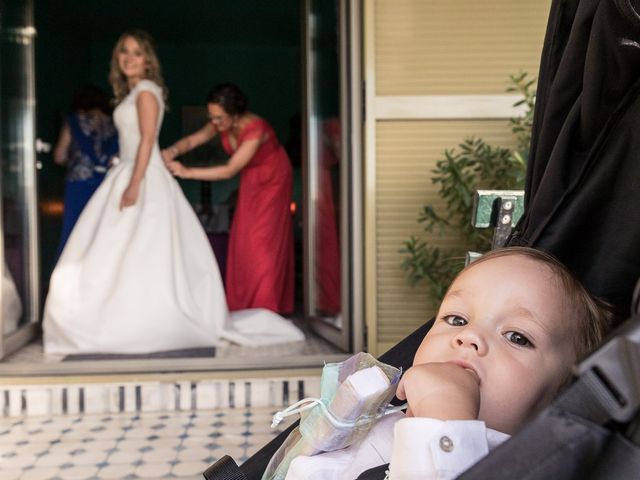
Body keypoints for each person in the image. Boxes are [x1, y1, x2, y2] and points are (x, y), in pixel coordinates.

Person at [284, 247, 613, 479]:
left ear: (562, 396)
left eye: (517, 337)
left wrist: (445, 415)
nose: (470, 337)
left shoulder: (523, 468)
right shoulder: (385, 420)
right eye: (456, 319)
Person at [43, 30, 230, 354]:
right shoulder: (131, 94)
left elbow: (146, 140)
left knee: (141, 249)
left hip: (141, 174)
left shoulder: (146, 91)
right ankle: (112, 318)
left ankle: (142, 320)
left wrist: (134, 183)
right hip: (128, 169)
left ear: (147, 61)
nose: (129, 58)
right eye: (123, 52)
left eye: (137, 52)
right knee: (114, 251)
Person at [162, 83, 294, 314]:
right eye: (211, 117)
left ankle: (266, 307)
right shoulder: (220, 123)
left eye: (219, 118)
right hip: (251, 179)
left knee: (262, 242)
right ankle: (244, 305)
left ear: (235, 115)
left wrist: (186, 171)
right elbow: (194, 140)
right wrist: (172, 151)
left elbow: (229, 170)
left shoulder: (256, 129)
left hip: (273, 179)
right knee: (244, 239)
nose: (214, 123)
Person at [53, 84, 118, 257]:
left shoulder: (73, 121)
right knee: (103, 231)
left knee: (74, 231)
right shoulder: (115, 123)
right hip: (106, 183)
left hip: (79, 182)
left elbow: (59, 156)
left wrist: (76, 162)